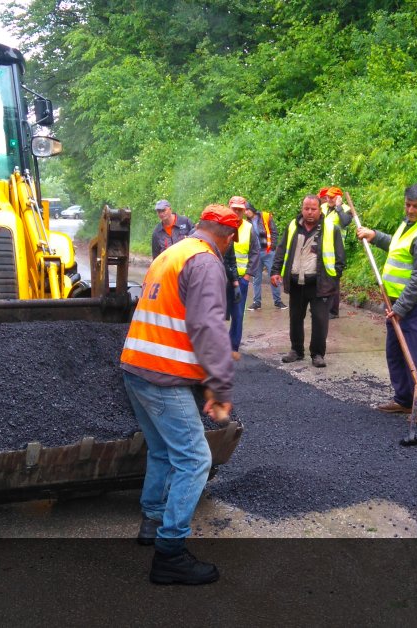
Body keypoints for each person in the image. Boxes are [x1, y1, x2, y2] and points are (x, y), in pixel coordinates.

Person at [119, 204, 237, 585]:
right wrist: (218, 385)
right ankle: (170, 553)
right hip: (160, 375)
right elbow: (207, 326)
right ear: (229, 238)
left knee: (162, 450)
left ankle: (152, 522)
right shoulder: (205, 262)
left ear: (199, 226)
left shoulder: (172, 252)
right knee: (194, 458)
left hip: (135, 365)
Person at [356, 183, 417, 422]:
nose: (410, 210)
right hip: (395, 301)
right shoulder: (409, 225)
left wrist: (400, 308)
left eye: (416, 206)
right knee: (395, 352)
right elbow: (398, 248)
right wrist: (375, 236)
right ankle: (405, 399)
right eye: (407, 205)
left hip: (414, 306)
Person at [272, 194, 345, 368]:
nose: (310, 212)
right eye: (306, 208)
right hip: (297, 282)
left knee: (320, 320)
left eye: (313, 209)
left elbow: (340, 258)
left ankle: (317, 354)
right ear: (302, 209)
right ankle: (296, 350)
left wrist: (334, 279)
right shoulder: (293, 227)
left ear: (319, 210)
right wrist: (275, 270)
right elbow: (282, 249)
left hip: (320, 283)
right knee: (295, 318)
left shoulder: (330, 229)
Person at [227, 196, 261, 361]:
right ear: (229, 208)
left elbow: (255, 253)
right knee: (217, 313)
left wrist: (247, 276)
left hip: (241, 279)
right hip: (222, 278)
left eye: (240, 209)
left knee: (238, 314)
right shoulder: (222, 226)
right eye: (234, 209)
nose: (237, 212)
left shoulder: (249, 228)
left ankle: (233, 346)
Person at [244, 201, 286, 310]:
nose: (246, 212)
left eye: (247, 209)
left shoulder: (265, 217)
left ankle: (278, 301)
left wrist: (272, 247)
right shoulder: (246, 223)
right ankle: (256, 302)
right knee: (256, 278)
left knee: (273, 275)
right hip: (255, 254)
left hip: (267, 251)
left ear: (252, 209)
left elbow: (274, 232)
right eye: (245, 210)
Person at [319, 187, 353, 318]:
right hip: (321, 248)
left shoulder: (345, 210)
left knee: (334, 279)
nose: (329, 199)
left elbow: (345, 222)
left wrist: (338, 207)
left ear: (339, 198)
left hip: (336, 249)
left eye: (332, 197)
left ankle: (333, 311)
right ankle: (322, 307)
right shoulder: (322, 207)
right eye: (327, 196)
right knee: (321, 278)